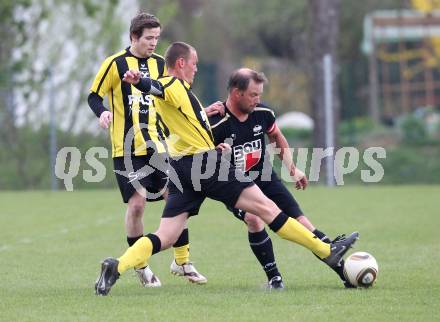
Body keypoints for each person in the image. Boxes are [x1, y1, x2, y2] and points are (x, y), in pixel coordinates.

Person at [94, 41, 359, 296]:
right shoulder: (173, 84)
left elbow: (184, 128)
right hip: (206, 165)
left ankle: (117, 266)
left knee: (165, 235)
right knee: (268, 210)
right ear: (182, 63)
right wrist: (139, 81)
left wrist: (210, 138)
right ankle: (326, 251)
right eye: (194, 63)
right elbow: (155, 86)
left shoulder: (180, 95)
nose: (196, 68)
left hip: (181, 168)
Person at [88, 13, 208, 288]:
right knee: (137, 205)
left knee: (176, 200)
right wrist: (102, 112)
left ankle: (182, 261)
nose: (154, 43)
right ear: (134, 37)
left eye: (157, 38)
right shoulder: (115, 64)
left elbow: (176, 98)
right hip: (126, 148)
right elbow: (93, 96)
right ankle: (140, 266)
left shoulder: (159, 65)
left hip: (160, 146)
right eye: (149, 38)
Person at [208, 68, 354, 289]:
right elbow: (200, 159)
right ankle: (275, 279)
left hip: (265, 177)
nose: (258, 100)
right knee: (254, 219)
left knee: (303, 224)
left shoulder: (263, 113)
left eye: (260, 94)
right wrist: (217, 155)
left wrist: (293, 169)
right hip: (234, 185)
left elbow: (276, 135)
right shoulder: (216, 123)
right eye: (253, 95)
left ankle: (345, 273)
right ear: (237, 93)